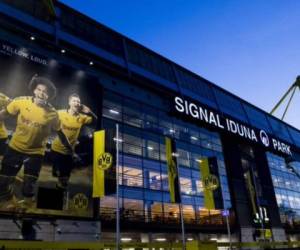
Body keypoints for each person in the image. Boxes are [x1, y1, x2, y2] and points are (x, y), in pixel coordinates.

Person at [0, 75, 75, 207]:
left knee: (28, 186)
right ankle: (7, 196)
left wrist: (69, 149)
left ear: (49, 96)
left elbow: (60, 133)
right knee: (3, 182)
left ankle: (27, 211)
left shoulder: (53, 113)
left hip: (35, 153)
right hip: (15, 148)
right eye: (39, 90)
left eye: (45, 92)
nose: (41, 93)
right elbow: (5, 113)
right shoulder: (21, 102)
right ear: (34, 90)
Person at [51, 93, 97, 190]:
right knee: (57, 174)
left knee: (64, 180)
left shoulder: (82, 117)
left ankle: (60, 192)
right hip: (56, 150)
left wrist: (90, 112)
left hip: (69, 153)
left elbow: (97, 120)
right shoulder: (60, 113)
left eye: (78, 101)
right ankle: (57, 174)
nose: (77, 103)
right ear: (69, 103)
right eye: (74, 101)